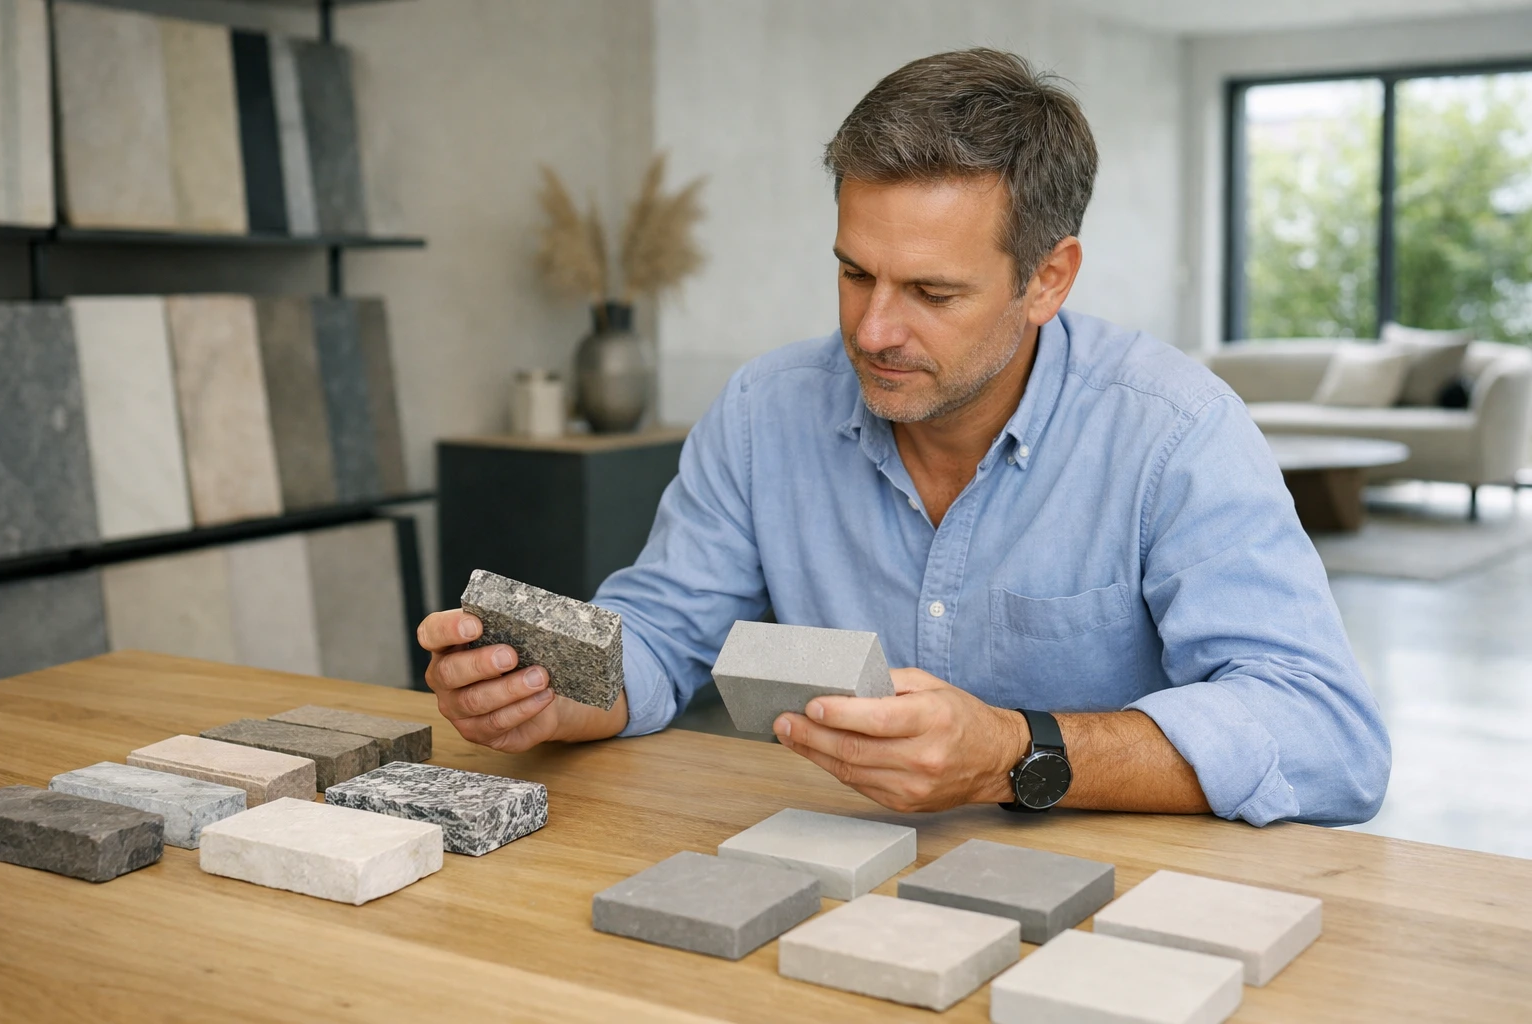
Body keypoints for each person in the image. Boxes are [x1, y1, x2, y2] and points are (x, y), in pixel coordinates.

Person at [417, 48, 1390, 826]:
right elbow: (665, 637)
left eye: (931, 292)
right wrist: (552, 692)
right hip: (832, 885)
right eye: (854, 273)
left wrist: (1021, 751)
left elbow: (1327, 734)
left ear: (1048, 279)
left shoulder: (1175, 430)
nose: (873, 330)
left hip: (1114, 919)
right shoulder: (764, 409)